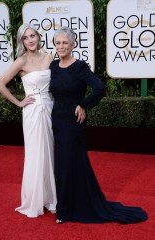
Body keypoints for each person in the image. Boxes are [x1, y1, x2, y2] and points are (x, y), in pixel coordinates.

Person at [49, 26, 148, 224]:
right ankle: (65, 204)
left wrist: (83, 105)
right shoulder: (52, 66)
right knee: (62, 165)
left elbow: (100, 88)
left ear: (73, 45)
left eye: (65, 43)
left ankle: (65, 211)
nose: (61, 46)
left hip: (73, 122)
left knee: (69, 164)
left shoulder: (80, 67)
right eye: (58, 42)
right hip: (57, 120)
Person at [0, 23, 57, 218]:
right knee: (36, 154)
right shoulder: (21, 61)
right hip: (32, 112)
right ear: (22, 41)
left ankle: (52, 197)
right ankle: (36, 199)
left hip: (51, 108)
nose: (30, 40)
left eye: (32, 36)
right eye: (25, 37)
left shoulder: (49, 57)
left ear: (38, 37)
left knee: (52, 152)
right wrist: (19, 103)